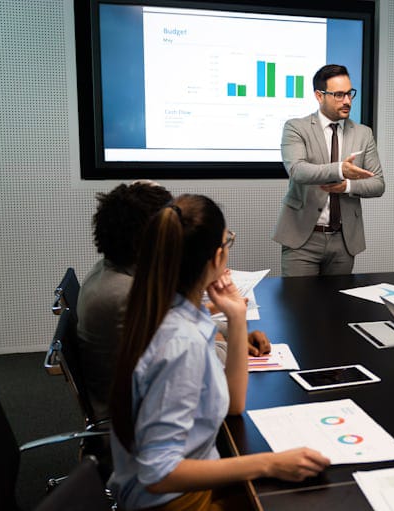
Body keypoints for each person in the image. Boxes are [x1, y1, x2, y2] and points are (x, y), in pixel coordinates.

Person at [109, 195, 330, 510]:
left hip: (191, 480)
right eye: (229, 240)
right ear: (216, 258)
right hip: (175, 500)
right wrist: (268, 463)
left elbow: (234, 404)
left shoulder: (169, 307)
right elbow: (158, 473)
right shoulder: (181, 343)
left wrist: (237, 317)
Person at [78, 182, 271, 422]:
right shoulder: (128, 295)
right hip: (137, 425)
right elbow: (215, 371)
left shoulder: (111, 272)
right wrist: (235, 332)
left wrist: (233, 333)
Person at [273, 64, 385, 276]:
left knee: (338, 308)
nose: (347, 101)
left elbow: (378, 184)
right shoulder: (296, 127)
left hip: (343, 240)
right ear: (319, 95)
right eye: (339, 95)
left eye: (350, 94)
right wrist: (340, 169)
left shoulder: (363, 133)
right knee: (298, 305)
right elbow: (298, 170)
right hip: (302, 239)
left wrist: (347, 186)